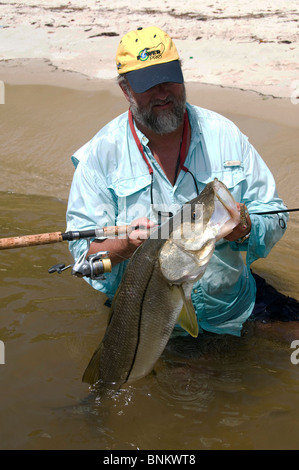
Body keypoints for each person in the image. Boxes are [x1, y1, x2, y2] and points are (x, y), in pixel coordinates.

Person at [66, 26, 298, 337]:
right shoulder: (99, 157)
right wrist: (124, 245)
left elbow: (276, 214)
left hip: (233, 306)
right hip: (151, 319)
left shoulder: (225, 135)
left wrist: (247, 230)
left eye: (169, 79)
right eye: (148, 85)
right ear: (126, 90)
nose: (162, 93)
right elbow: (84, 260)